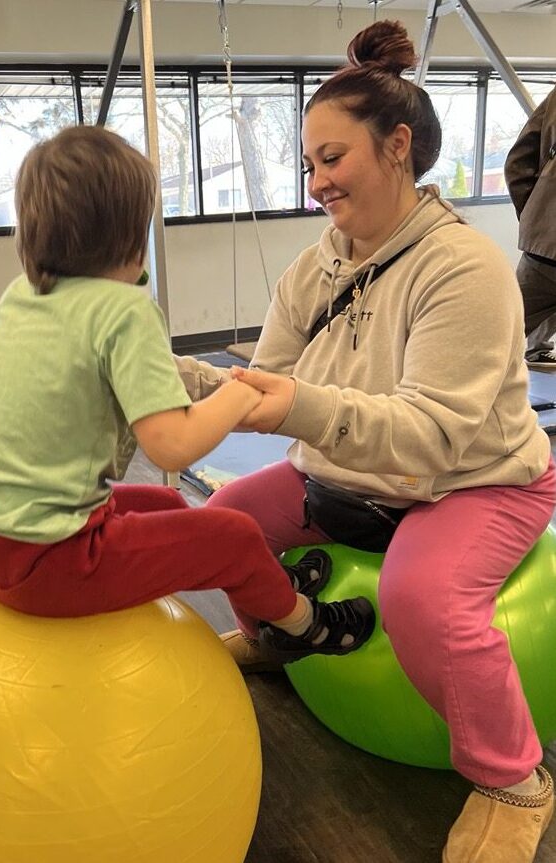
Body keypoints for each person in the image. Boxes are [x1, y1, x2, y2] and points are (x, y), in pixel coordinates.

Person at [177, 20, 555, 863]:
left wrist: (298, 407)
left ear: (396, 147)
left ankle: (515, 778)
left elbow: (429, 435)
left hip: (476, 477)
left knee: (425, 599)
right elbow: (259, 383)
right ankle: (280, 638)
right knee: (224, 526)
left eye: (331, 158)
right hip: (351, 475)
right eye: (308, 162)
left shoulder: (464, 267)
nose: (316, 181)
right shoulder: (314, 268)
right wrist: (163, 374)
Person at [0, 125, 377, 667]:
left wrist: (216, 385)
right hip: (47, 563)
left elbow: (140, 376)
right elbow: (172, 447)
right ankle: (302, 625)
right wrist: (241, 394)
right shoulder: (125, 312)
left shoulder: (29, 296)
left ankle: (272, 582)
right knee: (235, 535)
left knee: (166, 504)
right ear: (130, 233)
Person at [504, 85, 556, 369]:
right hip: (544, 244)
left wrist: (536, 215)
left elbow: (518, 162)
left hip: (545, 246)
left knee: (496, 331)